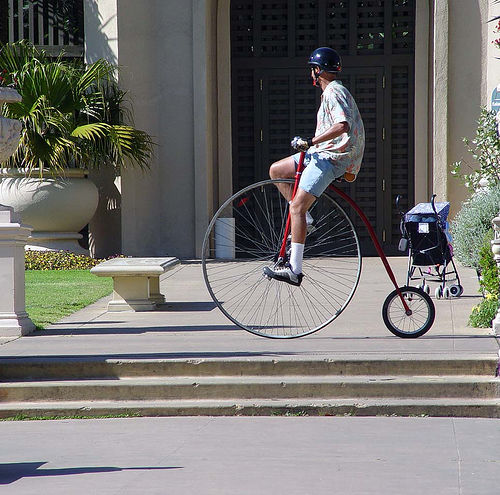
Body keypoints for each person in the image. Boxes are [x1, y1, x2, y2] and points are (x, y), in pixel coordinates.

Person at [263, 47, 365, 286]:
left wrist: (310, 141)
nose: (312, 73)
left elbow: (342, 125)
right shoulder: (333, 91)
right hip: (319, 154)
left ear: (318, 70)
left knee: (296, 207)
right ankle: (306, 220)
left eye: (313, 69)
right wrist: (311, 146)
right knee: (277, 170)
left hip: (331, 158)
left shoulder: (334, 91)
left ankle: (294, 270)